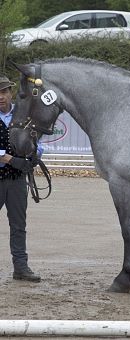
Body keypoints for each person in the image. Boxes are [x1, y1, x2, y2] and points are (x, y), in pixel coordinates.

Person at [0, 75, 41, 282]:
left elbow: (36, 142)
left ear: (11, 93)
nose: (1, 97)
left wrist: (35, 154)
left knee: (18, 225)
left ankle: (21, 267)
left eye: (4, 92)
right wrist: (13, 160)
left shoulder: (23, 114)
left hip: (16, 180)